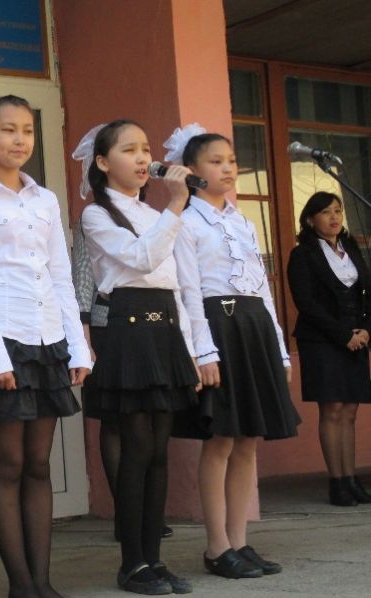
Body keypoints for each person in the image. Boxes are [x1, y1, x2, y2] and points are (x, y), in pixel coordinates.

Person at [0, 95, 91, 598]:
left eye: (27, 130)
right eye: (7, 130)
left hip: (46, 340)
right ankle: (21, 586)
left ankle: (42, 583)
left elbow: (60, 276)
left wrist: (77, 347)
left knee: (38, 464)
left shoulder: (45, 199)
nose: (19, 140)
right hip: (2, 340)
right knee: (7, 464)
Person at [171, 124, 301, 580]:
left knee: (248, 440)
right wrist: (203, 351)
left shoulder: (243, 222)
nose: (227, 169)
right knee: (221, 439)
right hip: (218, 330)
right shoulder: (186, 222)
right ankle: (217, 546)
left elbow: (262, 290)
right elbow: (188, 291)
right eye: (215, 161)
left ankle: (240, 541)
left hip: (254, 329)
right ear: (192, 170)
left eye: (231, 161)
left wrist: (280, 350)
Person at [77, 120, 199, 595]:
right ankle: (132, 563)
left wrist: (190, 348)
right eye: (129, 149)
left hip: (164, 326)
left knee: (159, 451)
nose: (143, 157)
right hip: (127, 329)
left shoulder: (154, 212)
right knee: (136, 448)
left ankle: (155, 559)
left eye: (146, 148)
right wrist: (176, 205)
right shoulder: (96, 215)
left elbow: (174, 282)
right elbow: (142, 260)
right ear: (103, 162)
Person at [71, 199, 174, 542]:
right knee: (115, 419)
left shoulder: (152, 216)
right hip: (106, 324)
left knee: (153, 424)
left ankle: (147, 514)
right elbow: (82, 277)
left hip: (153, 325)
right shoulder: (95, 215)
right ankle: (125, 513)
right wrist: (84, 335)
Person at [288, 191, 371, 506]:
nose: (334, 217)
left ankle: (351, 480)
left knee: (350, 410)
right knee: (332, 408)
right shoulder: (303, 254)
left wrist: (366, 330)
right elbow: (306, 303)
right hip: (322, 340)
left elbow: (367, 292)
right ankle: (337, 482)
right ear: (311, 220)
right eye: (325, 212)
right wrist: (342, 335)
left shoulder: (351, 248)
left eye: (337, 210)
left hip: (357, 339)